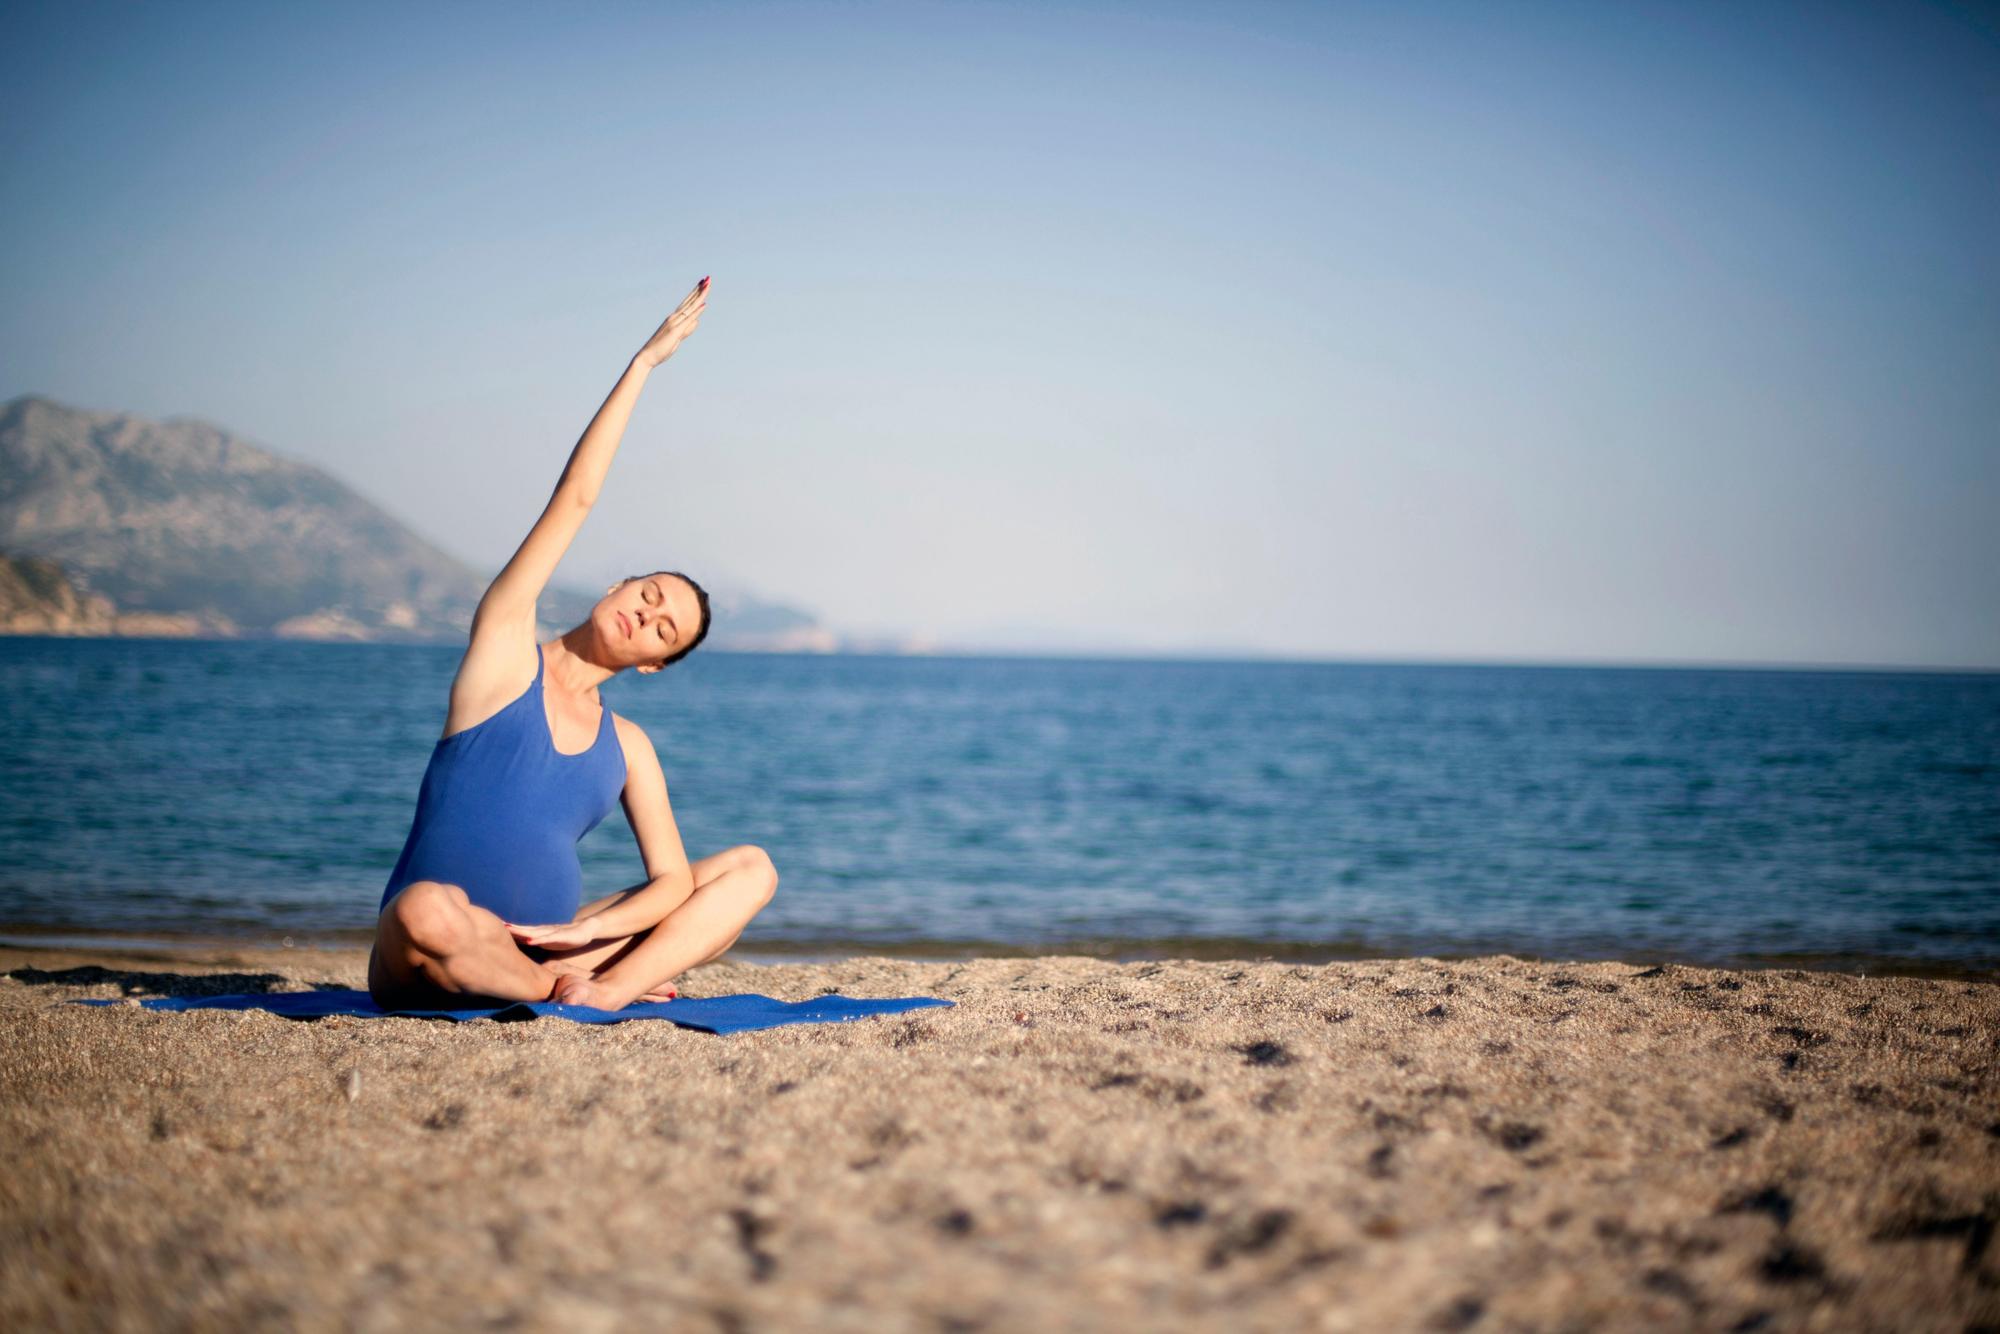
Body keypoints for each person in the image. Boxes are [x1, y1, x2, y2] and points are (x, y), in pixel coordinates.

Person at [366, 275, 778, 1012]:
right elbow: (576, 498)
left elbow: (674, 882)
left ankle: (602, 989)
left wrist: (583, 935)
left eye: (664, 630)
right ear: (618, 585)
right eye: (647, 595)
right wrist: (644, 365)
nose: (645, 616)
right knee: (424, 910)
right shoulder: (504, 656)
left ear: (654, 664)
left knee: (751, 869)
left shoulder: (629, 746)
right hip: (432, 949)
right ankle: (561, 991)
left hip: (554, 944)